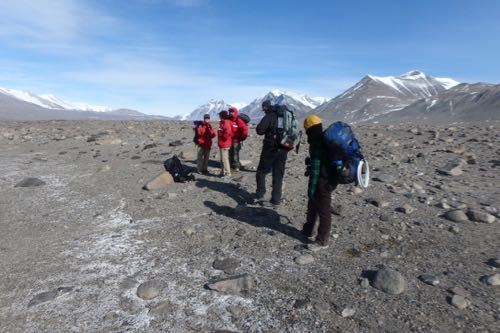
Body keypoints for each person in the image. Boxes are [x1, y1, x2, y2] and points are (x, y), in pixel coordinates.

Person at [301, 115, 336, 251]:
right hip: (330, 178)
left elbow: (316, 169)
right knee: (313, 204)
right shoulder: (324, 139)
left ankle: (322, 241)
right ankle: (308, 230)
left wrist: (311, 188)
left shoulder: (317, 143)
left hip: (323, 181)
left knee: (324, 210)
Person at [254, 100, 288, 206]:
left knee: (261, 171)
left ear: (266, 107)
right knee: (278, 174)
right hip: (284, 147)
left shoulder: (269, 115)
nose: (262, 109)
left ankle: (260, 195)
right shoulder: (285, 115)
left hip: (270, 147)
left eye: (263, 107)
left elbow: (259, 130)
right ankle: (275, 200)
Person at [228, 106, 249, 171]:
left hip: (236, 140)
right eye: (230, 112)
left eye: (232, 112)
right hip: (230, 140)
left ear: (235, 112)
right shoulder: (229, 119)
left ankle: (236, 166)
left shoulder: (238, 120)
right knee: (230, 152)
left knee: (235, 153)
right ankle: (231, 165)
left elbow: (244, 129)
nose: (231, 113)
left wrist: (242, 138)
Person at [217, 110, 233, 177]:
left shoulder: (226, 123)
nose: (219, 116)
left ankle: (227, 173)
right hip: (223, 143)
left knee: (224, 159)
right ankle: (223, 172)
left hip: (224, 143)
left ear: (222, 116)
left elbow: (228, 132)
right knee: (223, 159)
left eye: (220, 115)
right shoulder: (223, 122)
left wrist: (221, 133)